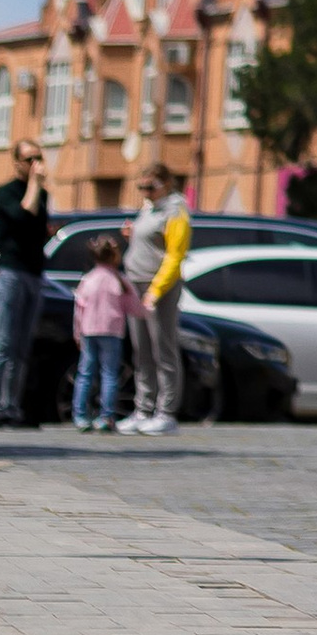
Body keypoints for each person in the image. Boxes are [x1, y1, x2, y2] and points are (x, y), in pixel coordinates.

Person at [122, 163, 191, 435]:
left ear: (166, 184)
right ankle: (143, 408)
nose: (145, 192)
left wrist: (156, 290)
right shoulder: (148, 208)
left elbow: (175, 256)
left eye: (150, 187)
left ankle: (166, 412)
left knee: (163, 349)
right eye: (141, 187)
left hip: (158, 288)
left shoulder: (175, 211)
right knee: (141, 350)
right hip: (135, 283)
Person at [0, 137, 50, 427]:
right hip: (10, 272)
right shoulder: (6, 193)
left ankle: (11, 405)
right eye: (30, 159)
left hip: (33, 273)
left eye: (39, 157)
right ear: (17, 163)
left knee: (22, 345)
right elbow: (23, 215)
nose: (36, 164)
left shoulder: (43, 194)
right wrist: (34, 184)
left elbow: (38, 226)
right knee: (4, 340)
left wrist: (37, 187)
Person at [71, 238, 131, 431]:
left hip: (89, 330)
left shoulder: (88, 279)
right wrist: (148, 309)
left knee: (85, 372)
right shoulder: (118, 280)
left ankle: (80, 415)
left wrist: (77, 332)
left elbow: (79, 309)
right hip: (111, 331)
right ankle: (106, 416)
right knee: (110, 374)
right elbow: (133, 305)